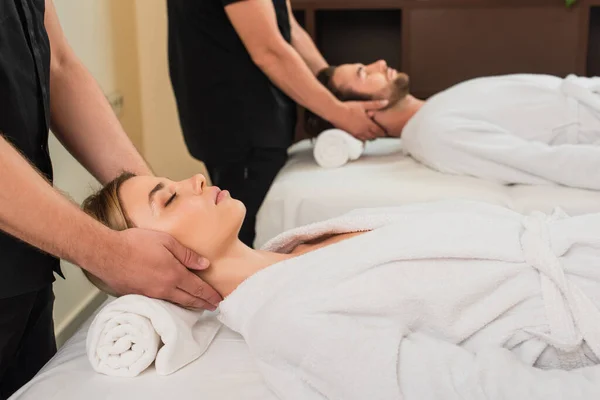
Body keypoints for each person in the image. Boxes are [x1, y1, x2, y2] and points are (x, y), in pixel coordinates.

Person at [81, 171, 600, 399]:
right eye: (168, 199)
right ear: (151, 261)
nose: (194, 179)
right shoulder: (287, 320)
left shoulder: (298, 245)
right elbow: (467, 390)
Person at [0, 1, 219, 397]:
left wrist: (149, 199)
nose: (199, 180)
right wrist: (110, 253)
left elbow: (60, 66)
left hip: (25, 274)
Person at [167, 0, 389, 247]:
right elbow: (268, 51)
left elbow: (288, 27)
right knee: (242, 240)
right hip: (239, 125)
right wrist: (340, 113)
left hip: (250, 120)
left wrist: (331, 84)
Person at [306, 62, 600, 191]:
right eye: (363, 74)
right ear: (358, 111)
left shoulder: (434, 110)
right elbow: (541, 163)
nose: (379, 63)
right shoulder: (435, 133)